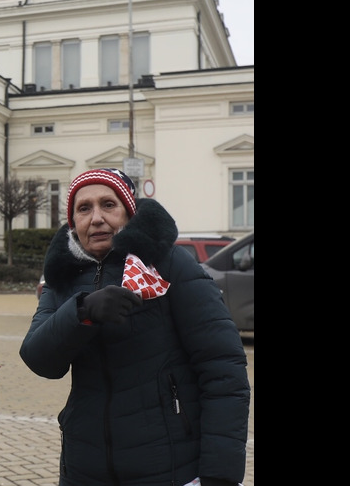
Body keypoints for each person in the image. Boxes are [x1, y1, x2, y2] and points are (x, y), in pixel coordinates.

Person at [19, 168, 249, 486]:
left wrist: (220, 474)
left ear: (128, 211)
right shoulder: (64, 277)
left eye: (108, 205)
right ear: (73, 222)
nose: (96, 218)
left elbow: (224, 371)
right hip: (84, 468)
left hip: (169, 467)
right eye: (84, 208)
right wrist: (82, 312)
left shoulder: (168, 264)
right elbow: (38, 358)